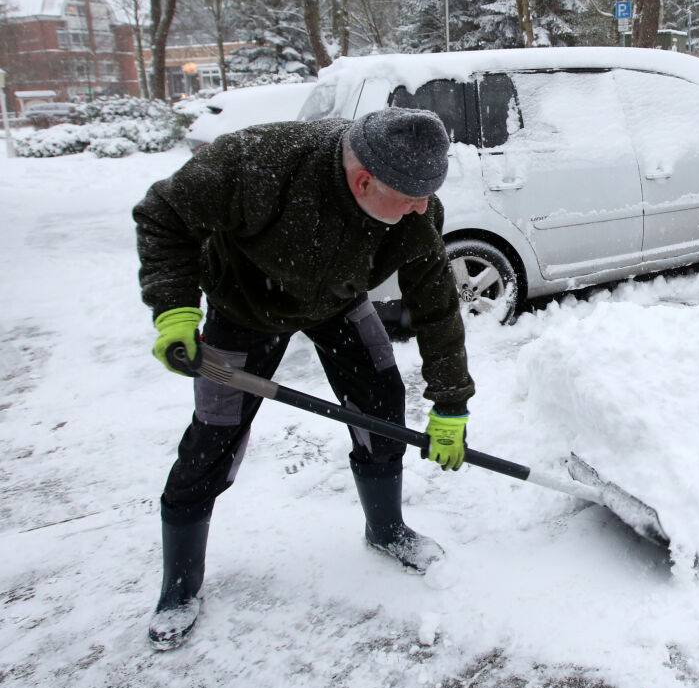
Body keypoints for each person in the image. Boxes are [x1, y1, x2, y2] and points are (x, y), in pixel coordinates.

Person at [133, 107, 475, 651]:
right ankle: (179, 585)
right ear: (365, 181)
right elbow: (163, 214)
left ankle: (385, 530)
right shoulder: (256, 164)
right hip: (243, 310)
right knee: (212, 440)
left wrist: (452, 403)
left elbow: (435, 305)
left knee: (382, 408)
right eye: (412, 197)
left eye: (429, 196)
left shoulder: (416, 214)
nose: (423, 209)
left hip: (336, 304)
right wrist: (174, 310)